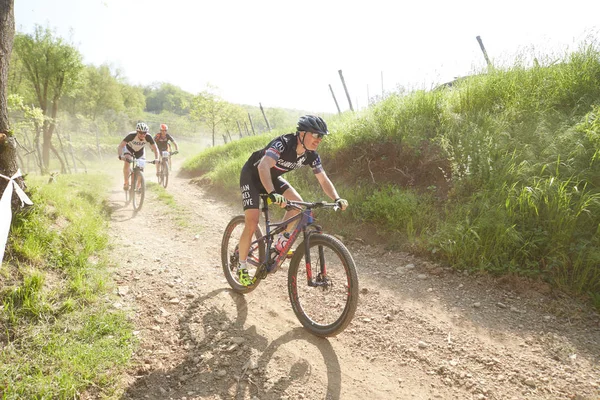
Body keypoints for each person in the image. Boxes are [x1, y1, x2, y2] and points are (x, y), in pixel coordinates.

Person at [237, 115, 348, 285]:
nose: (319, 139)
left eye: (322, 136)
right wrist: (272, 193)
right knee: (252, 222)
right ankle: (242, 265)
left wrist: (337, 198)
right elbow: (263, 166)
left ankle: (281, 239)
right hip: (252, 176)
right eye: (316, 135)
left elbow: (323, 180)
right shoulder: (283, 143)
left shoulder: (311, 155)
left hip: (272, 178)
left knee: (297, 204)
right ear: (302, 133)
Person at [117, 122, 159, 190]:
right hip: (129, 149)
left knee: (141, 167)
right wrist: (120, 155)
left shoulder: (148, 137)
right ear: (137, 131)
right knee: (127, 161)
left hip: (140, 151)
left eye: (144, 133)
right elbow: (120, 146)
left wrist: (157, 159)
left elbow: (155, 149)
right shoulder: (131, 135)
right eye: (140, 132)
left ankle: (138, 186)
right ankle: (126, 182)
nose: (142, 134)